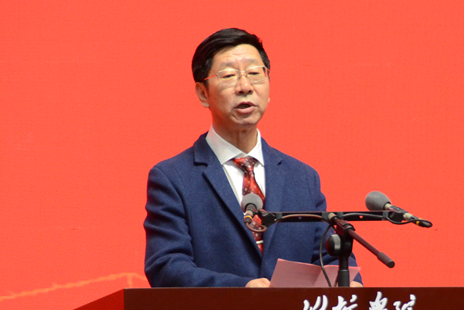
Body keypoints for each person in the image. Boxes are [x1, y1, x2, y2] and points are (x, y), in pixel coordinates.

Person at [144, 28, 360, 288]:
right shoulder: (173, 178)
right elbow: (166, 266)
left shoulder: (302, 177)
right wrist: (241, 289)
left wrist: (347, 283)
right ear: (202, 93)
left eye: (255, 73)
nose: (245, 87)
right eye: (228, 76)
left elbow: (328, 256)